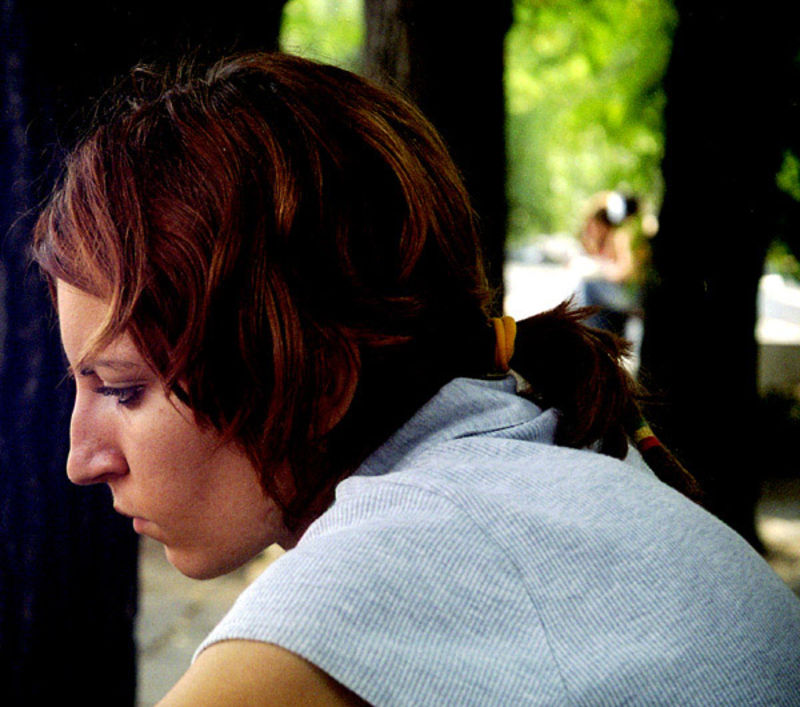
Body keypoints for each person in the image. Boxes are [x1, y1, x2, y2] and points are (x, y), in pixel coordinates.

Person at [33, 53, 799, 705]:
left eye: (123, 389)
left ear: (315, 376)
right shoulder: (558, 464)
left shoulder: (391, 567)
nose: (82, 458)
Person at [574, 190, 651, 339]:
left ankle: (591, 341)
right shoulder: (634, 230)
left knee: (588, 286)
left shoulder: (624, 234)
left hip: (634, 296)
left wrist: (600, 270)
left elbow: (625, 271)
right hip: (633, 295)